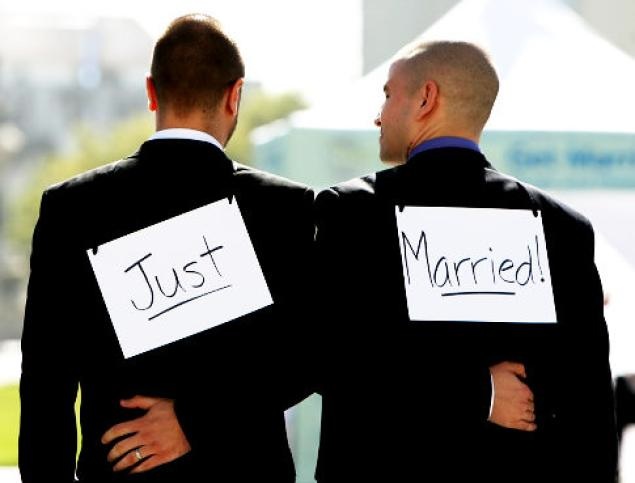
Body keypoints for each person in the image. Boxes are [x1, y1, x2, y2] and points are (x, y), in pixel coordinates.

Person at [19, 14, 314, 482]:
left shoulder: (71, 207)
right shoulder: (284, 209)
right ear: (235, 95)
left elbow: (45, 383)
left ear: (151, 91)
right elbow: (311, 355)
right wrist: (200, 419)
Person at [313, 40, 617, 482]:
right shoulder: (562, 226)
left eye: (388, 94)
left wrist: (474, 390)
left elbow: (328, 357)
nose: (378, 115)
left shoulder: (353, 212)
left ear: (426, 98)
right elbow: (590, 404)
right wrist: (481, 390)